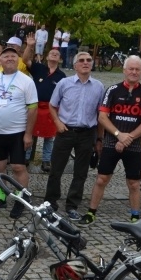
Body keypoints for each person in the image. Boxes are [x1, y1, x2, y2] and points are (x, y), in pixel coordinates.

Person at [78, 56, 141, 226]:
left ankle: (135, 216)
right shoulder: (112, 90)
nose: (134, 72)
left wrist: (128, 138)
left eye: (137, 69)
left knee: (134, 183)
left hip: (133, 144)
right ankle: (91, 212)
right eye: (131, 69)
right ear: (124, 70)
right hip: (111, 141)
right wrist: (119, 135)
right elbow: (102, 117)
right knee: (101, 179)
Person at [0, 44, 38, 219]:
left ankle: (20, 200)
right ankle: (0, 196)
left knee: (18, 167)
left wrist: (28, 134)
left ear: (18, 59)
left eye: (13, 56)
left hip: (17, 132)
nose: (9, 58)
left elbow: (33, 109)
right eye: (6, 56)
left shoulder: (26, 80)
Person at [44, 51, 105, 220]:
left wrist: (99, 138)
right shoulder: (64, 83)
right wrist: (57, 122)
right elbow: (52, 105)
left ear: (91, 64)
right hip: (65, 132)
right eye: (81, 60)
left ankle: (72, 205)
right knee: (56, 169)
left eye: (88, 60)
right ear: (75, 65)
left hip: (87, 134)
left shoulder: (99, 87)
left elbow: (101, 114)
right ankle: (50, 203)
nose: (85, 63)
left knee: (81, 172)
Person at [28, 46, 66, 172]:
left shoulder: (62, 76)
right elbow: (25, 60)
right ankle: (26, 157)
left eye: (57, 54)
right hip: (35, 106)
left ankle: (46, 160)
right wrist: (29, 46)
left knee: (49, 136)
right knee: (31, 133)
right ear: (46, 57)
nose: (54, 54)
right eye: (52, 53)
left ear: (60, 59)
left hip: (51, 108)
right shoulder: (38, 68)